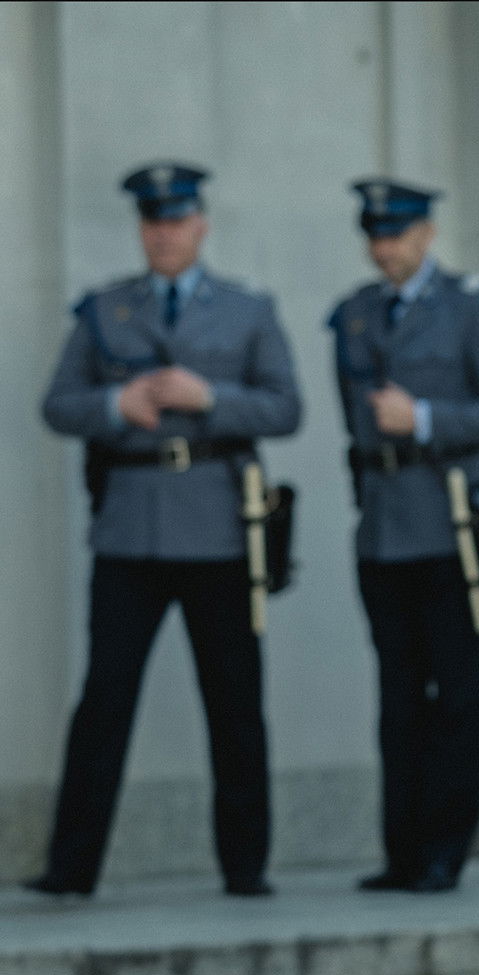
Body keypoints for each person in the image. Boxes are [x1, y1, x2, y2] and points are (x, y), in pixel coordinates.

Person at [30, 162, 301, 899]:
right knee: (104, 700)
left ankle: (245, 867)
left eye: (176, 220)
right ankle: (71, 868)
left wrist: (209, 397)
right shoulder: (105, 310)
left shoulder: (248, 309)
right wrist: (116, 406)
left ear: (200, 225)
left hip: (219, 529)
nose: (164, 234)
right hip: (130, 529)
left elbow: (285, 408)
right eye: (152, 221)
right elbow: (58, 405)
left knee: (234, 701)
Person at [328, 178, 479, 894]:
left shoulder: (469, 305)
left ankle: (446, 849)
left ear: (426, 235)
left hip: (453, 530)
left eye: (396, 235)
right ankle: (402, 851)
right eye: (375, 236)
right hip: (384, 530)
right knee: (399, 702)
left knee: (457, 698)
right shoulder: (356, 313)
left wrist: (423, 420)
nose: (384, 249)